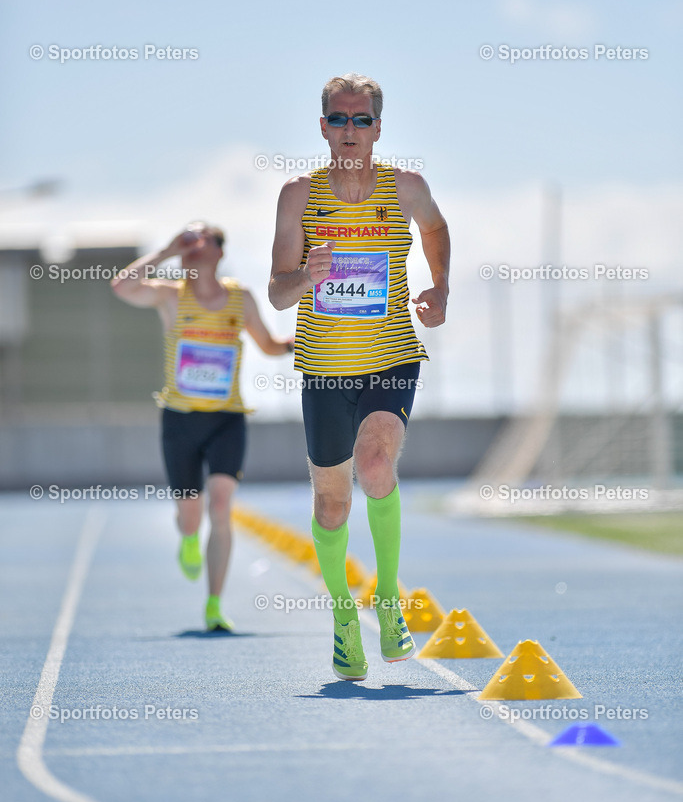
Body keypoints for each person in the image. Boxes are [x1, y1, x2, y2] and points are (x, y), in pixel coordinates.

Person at [269, 73, 450, 680]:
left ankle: (389, 599)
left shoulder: (407, 188)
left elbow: (435, 229)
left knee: (375, 467)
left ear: (378, 128)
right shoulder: (298, 196)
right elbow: (276, 294)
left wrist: (440, 287)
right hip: (325, 368)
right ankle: (345, 617)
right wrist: (306, 276)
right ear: (323, 127)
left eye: (362, 119)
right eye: (340, 119)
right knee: (332, 503)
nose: (351, 129)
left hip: (391, 355)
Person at [112, 222, 293, 631]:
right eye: (187, 240)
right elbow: (122, 287)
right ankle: (189, 536)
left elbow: (268, 344)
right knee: (191, 516)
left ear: (220, 252)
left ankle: (214, 605)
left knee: (222, 506)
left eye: (201, 239)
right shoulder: (171, 295)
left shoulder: (240, 298)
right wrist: (166, 251)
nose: (193, 245)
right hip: (180, 420)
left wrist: (299, 343)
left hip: (227, 419)